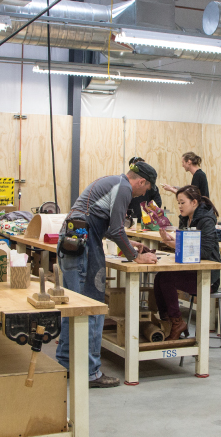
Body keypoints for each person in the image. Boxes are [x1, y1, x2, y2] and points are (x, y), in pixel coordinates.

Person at [56, 161, 159, 388]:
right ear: (141, 181)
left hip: (74, 241)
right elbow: (115, 229)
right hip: (83, 246)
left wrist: (128, 244)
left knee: (73, 307)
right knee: (93, 307)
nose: (143, 194)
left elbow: (105, 226)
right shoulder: (123, 188)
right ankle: (91, 373)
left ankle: (64, 365)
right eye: (146, 189)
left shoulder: (113, 182)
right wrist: (136, 256)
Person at [154, 186, 221, 340]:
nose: (179, 206)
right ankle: (168, 322)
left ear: (194, 202)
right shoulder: (185, 218)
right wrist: (171, 241)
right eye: (178, 203)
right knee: (159, 278)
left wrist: (175, 244)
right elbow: (186, 246)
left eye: (182, 202)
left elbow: (204, 251)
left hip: (207, 277)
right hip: (191, 270)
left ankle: (177, 323)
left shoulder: (206, 220)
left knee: (166, 279)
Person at [126, 156, 163, 224]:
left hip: (145, 221)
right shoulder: (124, 188)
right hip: (130, 221)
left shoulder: (152, 187)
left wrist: (148, 212)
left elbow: (157, 203)